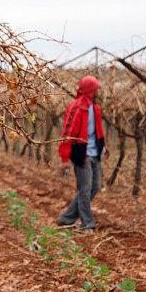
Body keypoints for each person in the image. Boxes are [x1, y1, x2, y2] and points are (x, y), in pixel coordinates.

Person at [57, 75, 108, 232]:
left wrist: (104, 145)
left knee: (94, 187)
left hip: (95, 152)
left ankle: (66, 218)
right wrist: (64, 158)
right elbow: (67, 133)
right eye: (96, 89)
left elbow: (98, 130)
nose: (99, 91)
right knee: (85, 189)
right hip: (81, 153)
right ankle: (87, 224)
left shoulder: (95, 107)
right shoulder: (76, 108)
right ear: (90, 90)